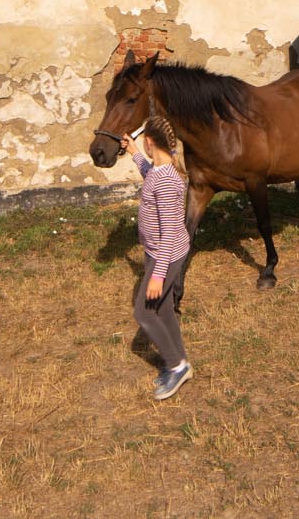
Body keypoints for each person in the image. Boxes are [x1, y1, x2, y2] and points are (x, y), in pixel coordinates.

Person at [123, 114, 193, 400]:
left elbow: (170, 232)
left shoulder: (166, 181)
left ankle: (176, 365)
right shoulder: (161, 170)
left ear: (151, 141)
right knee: (163, 310)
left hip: (166, 254)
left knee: (144, 312)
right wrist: (134, 153)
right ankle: (180, 363)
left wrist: (157, 274)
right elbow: (149, 174)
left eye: (144, 145)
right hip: (163, 253)